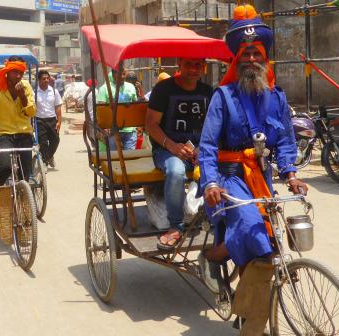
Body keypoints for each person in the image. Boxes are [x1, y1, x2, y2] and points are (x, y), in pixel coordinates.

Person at [198, 4, 308, 293]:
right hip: (228, 177)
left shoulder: (277, 97)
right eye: (244, 54)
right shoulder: (223, 96)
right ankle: (212, 257)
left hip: (261, 177)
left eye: (255, 53)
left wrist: (291, 174)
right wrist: (210, 181)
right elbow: (207, 144)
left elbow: (285, 139)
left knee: (271, 236)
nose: (250, 58)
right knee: (252, 229)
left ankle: (249, 307)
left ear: (265, 58)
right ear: (236, 59)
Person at [145, 58, 213, 250]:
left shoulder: (208, 92)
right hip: (166, 150)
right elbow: (150, 124)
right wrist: (172, 146)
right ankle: (176, 225)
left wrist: (203, 148)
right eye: (189, 64)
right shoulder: (163, 90)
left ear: (204, 67)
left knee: (226, 168)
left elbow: (213, 126)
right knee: (176, 172)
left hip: (199, 151)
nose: (193, 69)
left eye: (198, 64)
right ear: (179, 65)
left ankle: (214, 219)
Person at [0, 56, 36, 209]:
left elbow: (31, 112)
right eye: (15, 72)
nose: (18, 76)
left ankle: (24, 206)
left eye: (21, 72)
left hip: (24, 134)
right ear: (7, 71)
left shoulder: (25, 86)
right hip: (5, 135)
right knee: (5, 167)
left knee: (25, 175)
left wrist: (22, 96)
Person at [96, 65, 137, 150]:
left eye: (124, 74)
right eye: (120, 75)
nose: (122, 77)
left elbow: (135, 106)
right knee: (114, 158)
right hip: (113, 130)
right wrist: (105, 126)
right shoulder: (104, 88)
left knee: (130, 158)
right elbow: (101, 109)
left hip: (130, 130)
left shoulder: (131, 87)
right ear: (114, 74)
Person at [36, 70, 62, 168]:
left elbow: (58, 107)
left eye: (47, 78)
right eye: (44, 79)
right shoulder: (35, 92)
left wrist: (59, 121)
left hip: (52, 120)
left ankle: (48, 157)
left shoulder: (54, 91)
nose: (46, 80)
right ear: (39, 80)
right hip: (39, 120)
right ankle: (45, 163)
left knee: (56, 140)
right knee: (43, 143)